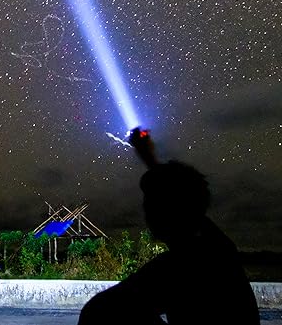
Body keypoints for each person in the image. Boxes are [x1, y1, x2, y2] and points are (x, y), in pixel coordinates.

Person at [78, 128, 259, 324]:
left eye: (150, 203)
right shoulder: (219, 248)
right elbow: (181, 199)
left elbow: (99, 310)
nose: (145, 209)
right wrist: (150, 160)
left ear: (159, 212)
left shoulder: (184, 264)